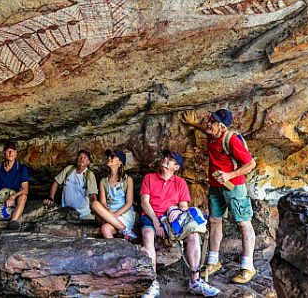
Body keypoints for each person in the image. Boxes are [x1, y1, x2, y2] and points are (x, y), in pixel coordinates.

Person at [181, 109, 258, 284]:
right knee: (215, 220)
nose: (208, 123)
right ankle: (213, 262)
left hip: (234, 186)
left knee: (243, 223)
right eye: (210, 119)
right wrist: (193, 124)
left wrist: (229, 175)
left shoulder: (231, 139)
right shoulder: (213, 134)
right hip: (216, 186)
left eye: (213, 122)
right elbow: (205, 129)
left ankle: (248, 267)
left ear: (222, 126)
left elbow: (251, 163)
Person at [140, 150, 220, 298]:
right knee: (148, 235)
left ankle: (195, 282)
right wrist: (156, 223)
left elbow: (183, 207)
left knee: (194, 235)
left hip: (171, 218)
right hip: (151, 216)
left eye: (170, 159)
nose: (165, 159)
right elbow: (145, 203)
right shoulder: (149, 178)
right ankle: (152, 283)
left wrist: (177, 210)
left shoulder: (180, 182)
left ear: (176, 167)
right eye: (166, 157)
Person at [89, 149, 137, 240]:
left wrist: (113, 216)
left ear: (120, 163)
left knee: (105, 227)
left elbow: (129, 203)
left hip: (124, 214)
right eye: (109, 156)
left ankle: (124, 229)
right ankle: (125, 231)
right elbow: (103, 203)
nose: (109, 158)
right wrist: (108, 212)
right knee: (95, 204)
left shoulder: (128, 180)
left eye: (112, 156)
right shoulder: (103, 181)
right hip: (108, 213)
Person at [43, 150, 97, 220]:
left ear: (88, 162)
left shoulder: (89, 175)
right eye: (80, 156)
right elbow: (56, 182)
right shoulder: (69, 169)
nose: (82, 159)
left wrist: (95, 210)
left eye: (85, 157)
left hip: (83, 214)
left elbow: (92, 195)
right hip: (65, 212)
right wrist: (51, 198)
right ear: (77, 159)